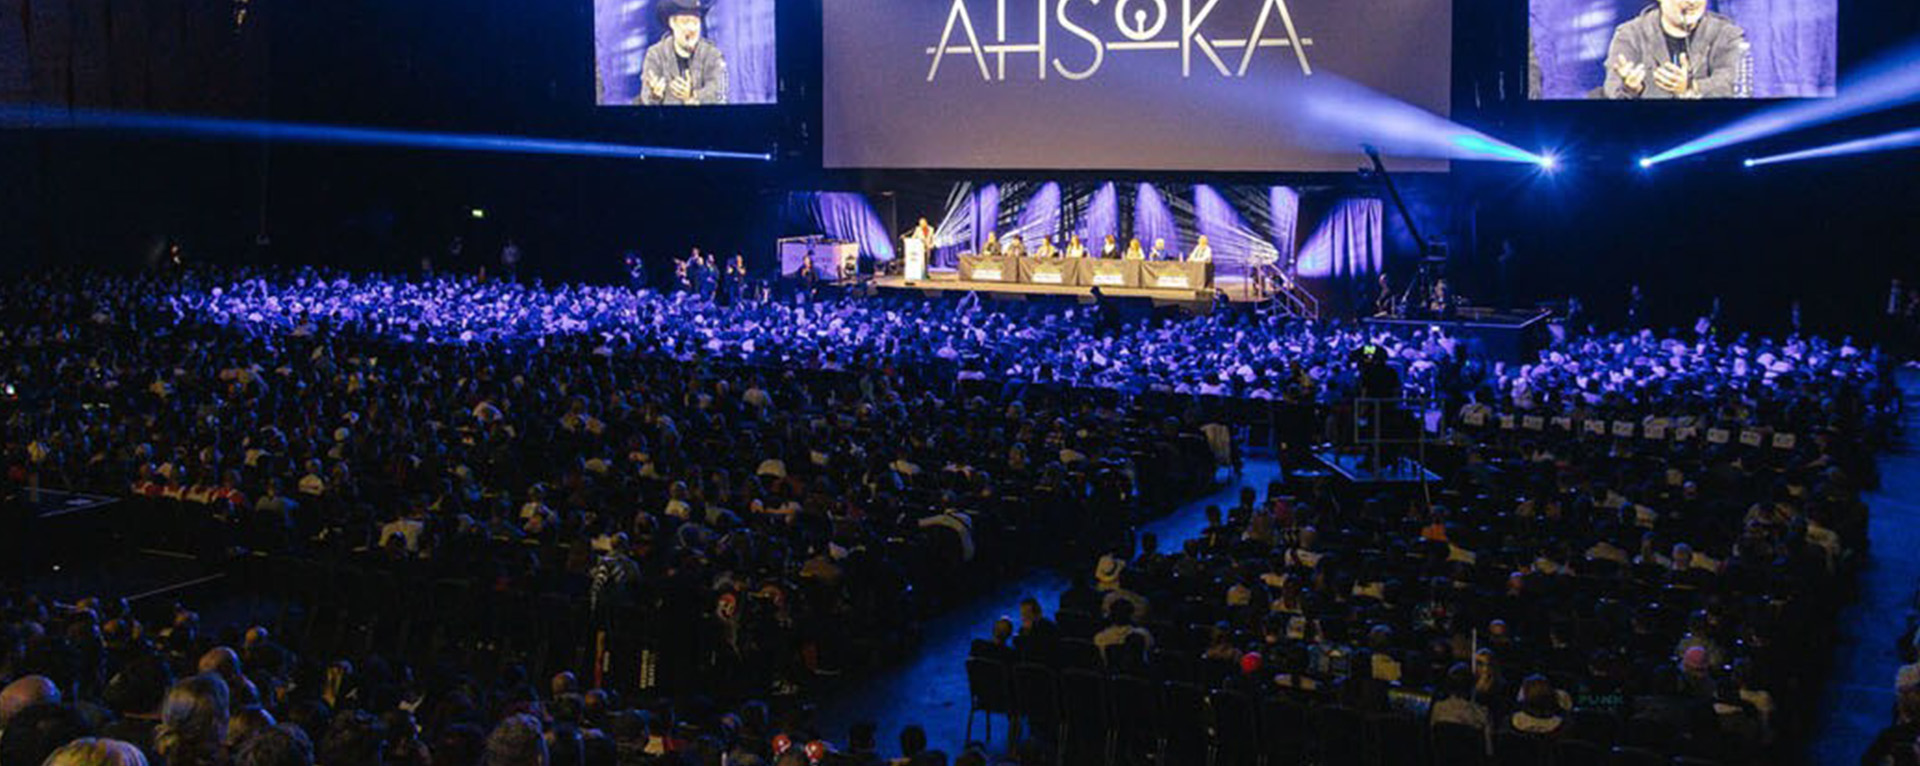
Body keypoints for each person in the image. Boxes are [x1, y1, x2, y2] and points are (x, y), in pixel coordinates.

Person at [1602, 0, 1747, 100]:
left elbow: (1733, 83)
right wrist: (1631, 89)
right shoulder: (1630, 34)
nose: (1692, 2)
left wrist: (1690, 88)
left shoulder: (1727, 34)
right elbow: (1612, 91)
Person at [639, 0, 728, 106]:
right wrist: (655, 96)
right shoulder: (655, 55)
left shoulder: (713, 55)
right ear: (672, 23)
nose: (691, 28)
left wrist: (692, 97)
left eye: (695, 22)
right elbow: (646, 99)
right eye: (685, 21)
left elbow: (719, 93)